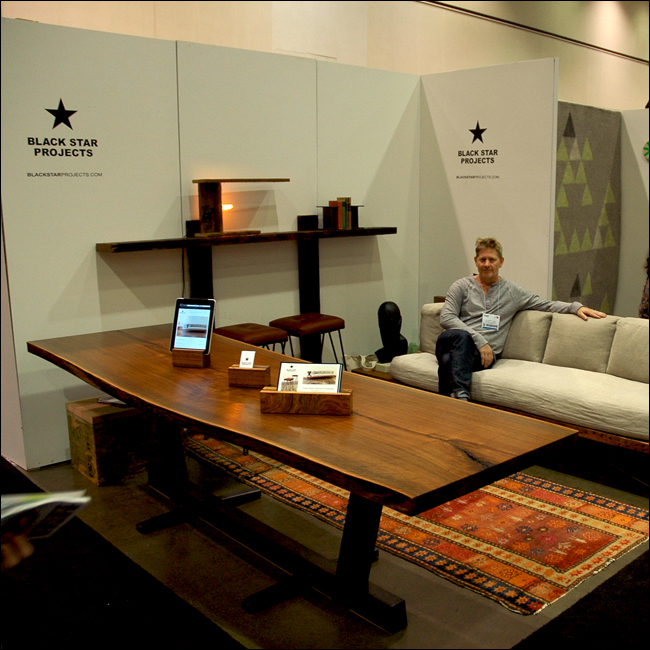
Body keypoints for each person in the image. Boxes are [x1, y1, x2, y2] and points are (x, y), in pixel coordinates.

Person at [436, 237, 606, 400]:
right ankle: (460, 401)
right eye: (483, 260)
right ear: (476, 261)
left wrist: (576, 307)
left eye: (492, 260)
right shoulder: (461, 286)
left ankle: (451, 403)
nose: (487, 264)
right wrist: (481, 341)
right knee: (461, 337)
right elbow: (447, 317)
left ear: (501, 262)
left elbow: (545, 304)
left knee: (448, 361)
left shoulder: (512, 292)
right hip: (453, 341)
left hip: (479, 357)